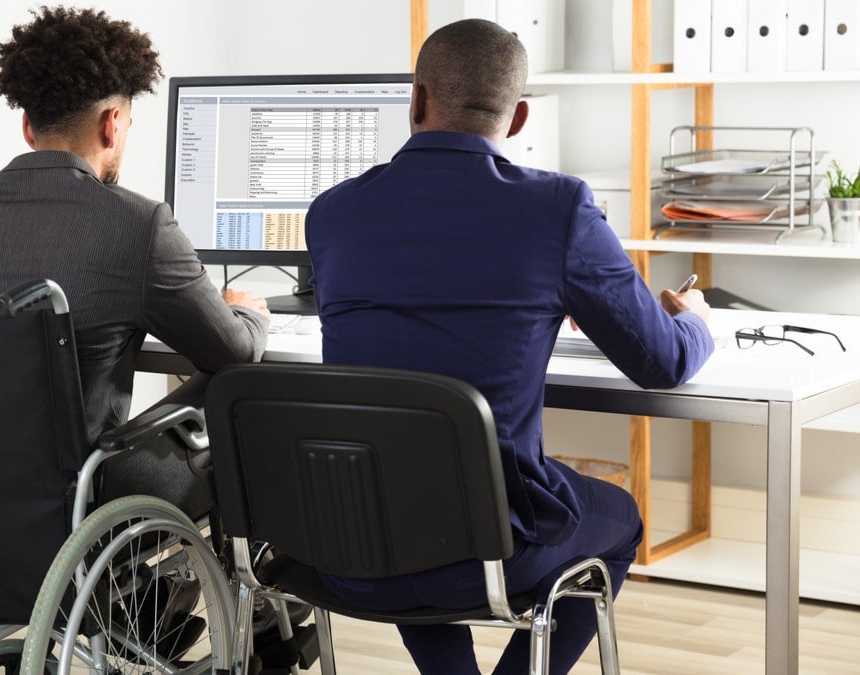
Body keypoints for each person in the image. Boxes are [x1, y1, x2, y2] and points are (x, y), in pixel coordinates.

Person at [305, 19, 714, 675]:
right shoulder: (558, 209)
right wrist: (693, 317)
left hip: (350, 542)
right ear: (520, 117)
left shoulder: (330, 213)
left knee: (413, 493)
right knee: (624, 519)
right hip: (494, 547)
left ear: (415, 100)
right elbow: (662, 361)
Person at [0, 6, 269, 510]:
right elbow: (232, 353)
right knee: (232, 385)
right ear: (112, 124)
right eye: (127, 124)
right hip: (81, 498)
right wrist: (246, 314)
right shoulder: (139, 226)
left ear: (27, 127)